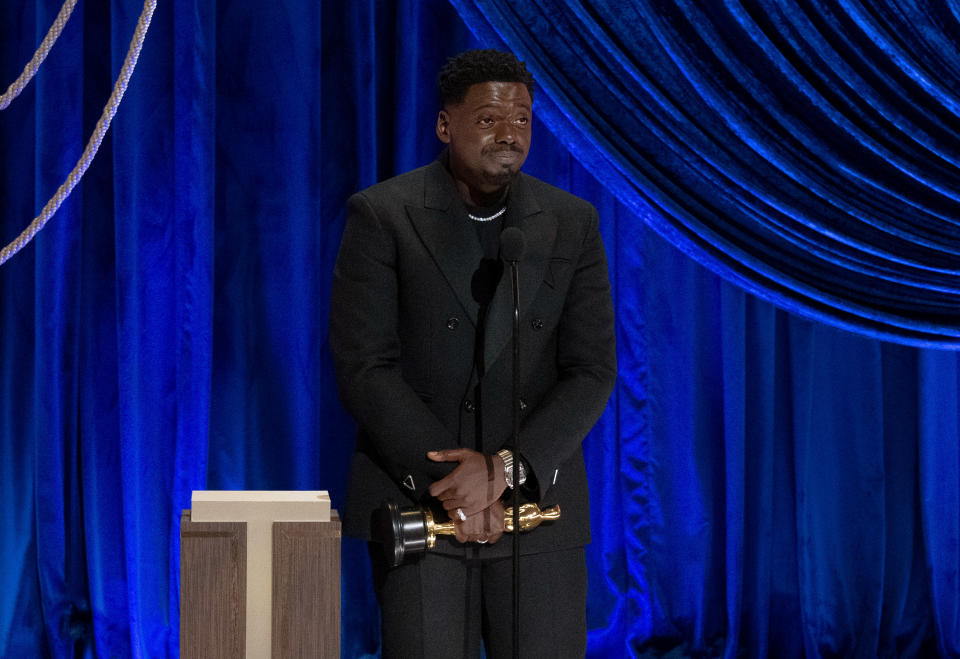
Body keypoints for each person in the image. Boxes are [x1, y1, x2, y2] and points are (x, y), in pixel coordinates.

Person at [330, 49, 616, 658]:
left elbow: (591, 370)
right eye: (489, 119)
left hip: (539, 511)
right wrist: (455, 485)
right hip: (421, 507)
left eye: (522, 120)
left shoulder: (572, 223)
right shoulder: (384, 215)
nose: (509, 134)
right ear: (445, 125)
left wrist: (506, 471)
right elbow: (365, 367)